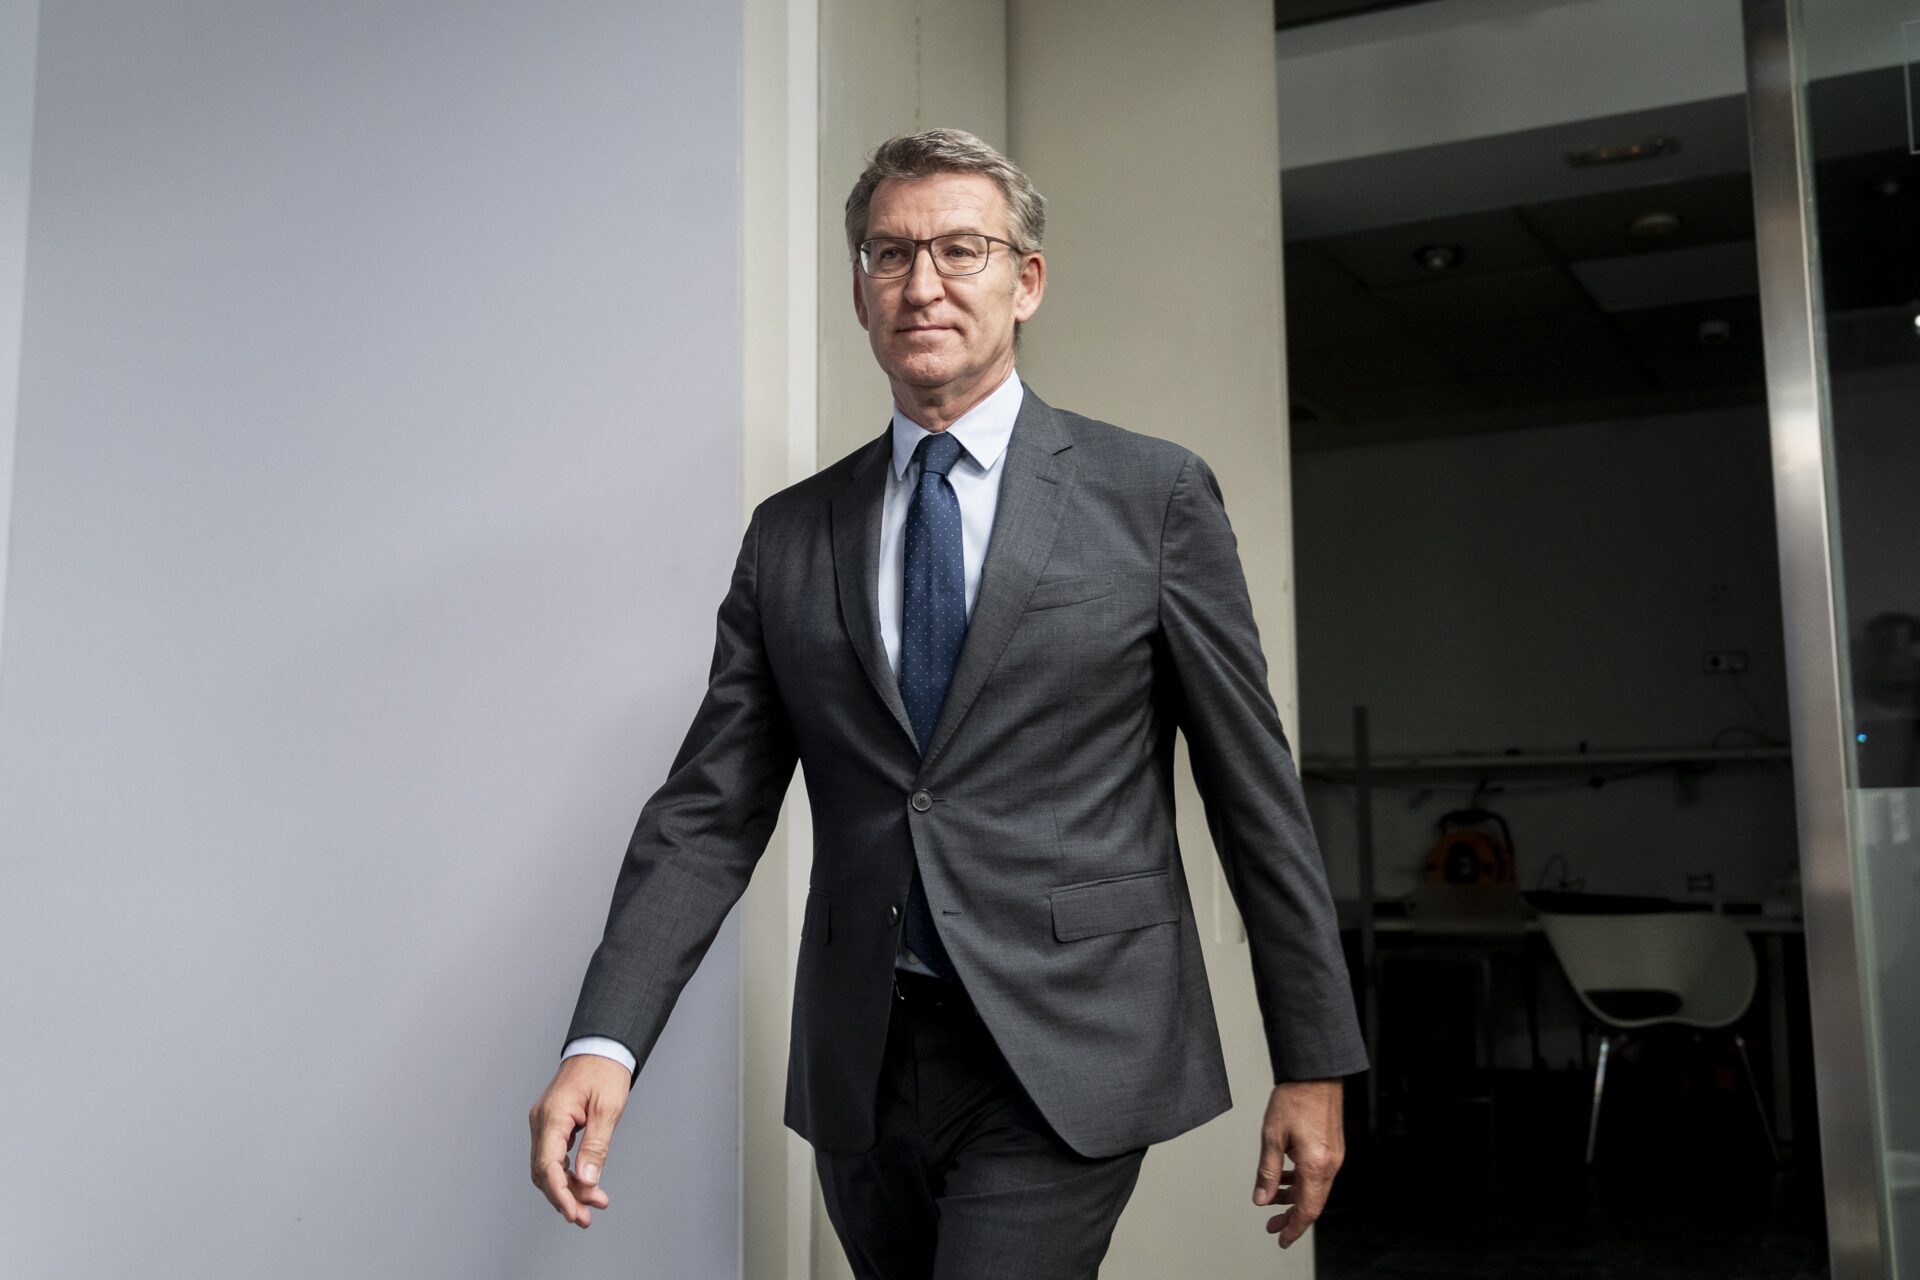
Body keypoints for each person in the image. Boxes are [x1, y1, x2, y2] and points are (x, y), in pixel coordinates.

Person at [528, 127, 1367, 1278]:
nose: (922, 283)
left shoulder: (1152, 495)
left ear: (1027, 281)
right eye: (890, 253)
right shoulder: (790, 535)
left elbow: (1254, 795)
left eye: (961, 249)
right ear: (860, 290)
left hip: (1067, 1044)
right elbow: (709, 811)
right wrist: (606, 1037)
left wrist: (1313, 1057)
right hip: (862, 1062)